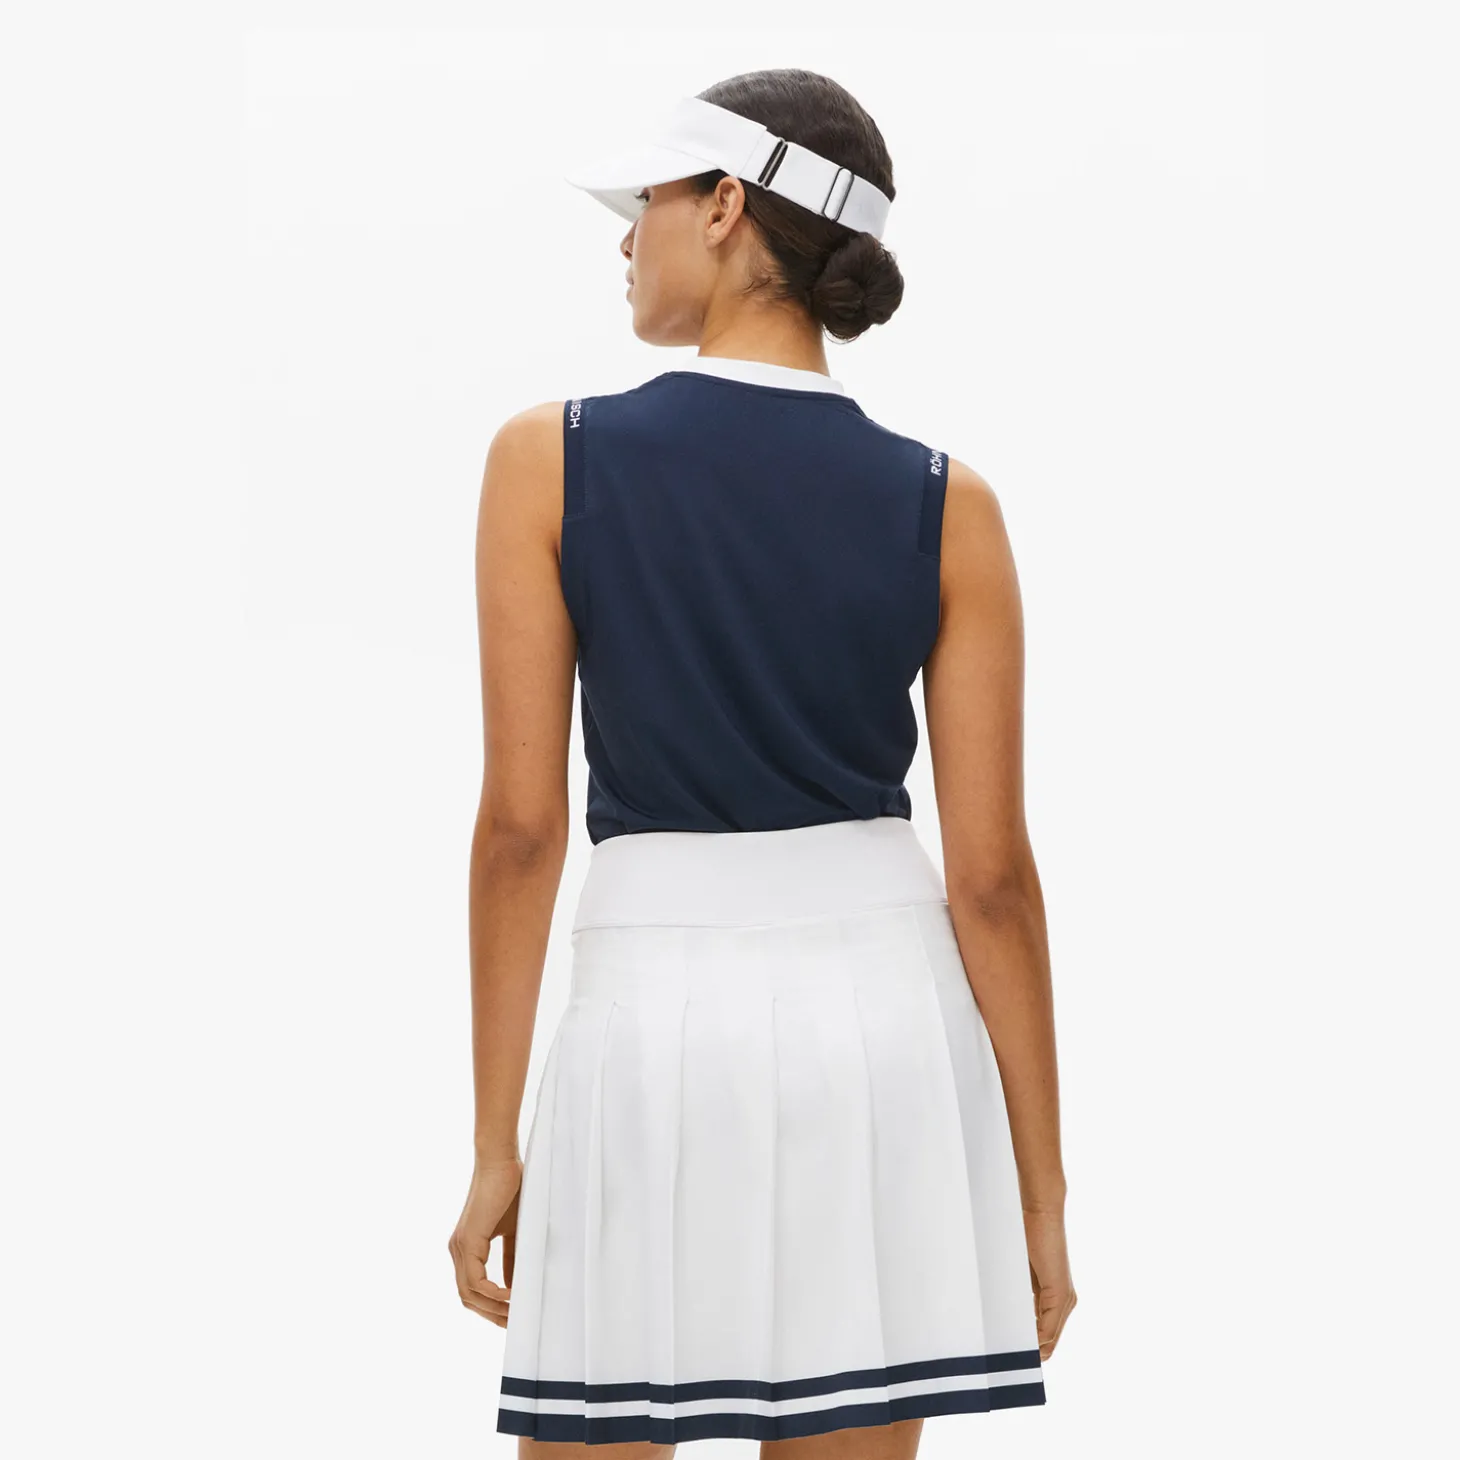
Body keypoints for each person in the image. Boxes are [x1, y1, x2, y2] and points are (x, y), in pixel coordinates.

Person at [449, 68, 1075, 1457]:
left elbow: (520, 833)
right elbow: (991, 883)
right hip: (887, 1043)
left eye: (649, 201)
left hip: (646, 1030)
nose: (628, 239)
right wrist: (1040, 1193)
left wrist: (496, 1142)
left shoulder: (549, 462)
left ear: (728, 205)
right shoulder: (950, 505)